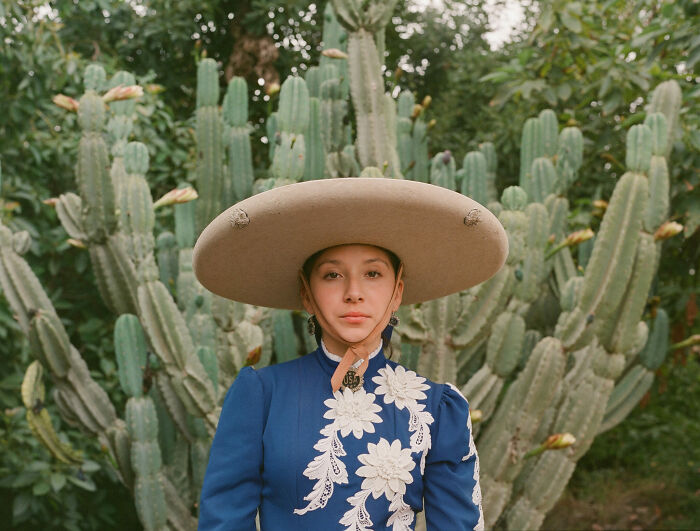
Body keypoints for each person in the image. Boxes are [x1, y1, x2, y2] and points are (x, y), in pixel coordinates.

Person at [193, 177, 508, 530]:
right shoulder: (261, 395)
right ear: (307, 294)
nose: (353, 292)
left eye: (373, 273)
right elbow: (223, 521)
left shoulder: (438, 408)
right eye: (332, 275)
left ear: (397, 291)